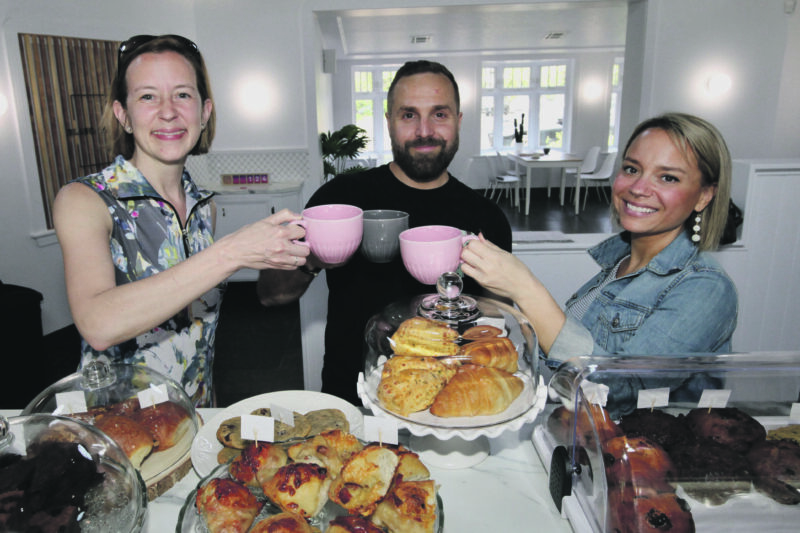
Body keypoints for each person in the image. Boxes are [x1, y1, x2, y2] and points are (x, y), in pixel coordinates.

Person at [53, 35, 309, 407]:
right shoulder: (84, 200)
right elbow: (97, 324)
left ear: (204, 113)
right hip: (121, 429)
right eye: (147, 97)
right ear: (123, 115)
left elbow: (196, 341)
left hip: (195, 417)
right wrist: (231, 253)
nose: (168, 111)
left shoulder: (205, 207)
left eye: (182, 95)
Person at [258, 60, 512, 405]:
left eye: (439, 114)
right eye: (408, 115)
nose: (424, 131)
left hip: (451, 405)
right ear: (389, 121)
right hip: (352, 401)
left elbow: (497, 326)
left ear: (458, 120)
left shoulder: (487, 218)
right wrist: (314, 256)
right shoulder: (341, 199)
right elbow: (271, 294)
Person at [461, 112, 738, 364]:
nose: (639, 188)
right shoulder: (621, 263)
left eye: (667, 177)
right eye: (631, 169)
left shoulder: (705, 287)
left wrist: (525, 288)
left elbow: (614, 390)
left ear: (704, 196)